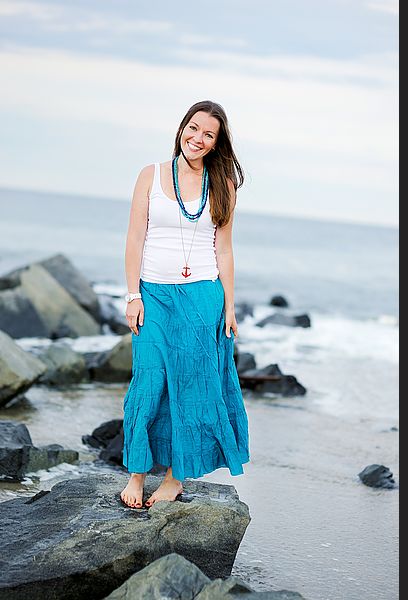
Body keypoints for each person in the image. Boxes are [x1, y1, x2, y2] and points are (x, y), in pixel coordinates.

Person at [120, 100, 250, 509]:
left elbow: (224, 250)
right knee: (149, 381)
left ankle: (175, 479)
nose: (197, 138)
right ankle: (137, 475)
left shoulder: (223, 184)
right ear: (181, 129)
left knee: (194, 389)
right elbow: (135, 238)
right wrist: (132, 295)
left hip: (202, 299)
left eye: (207, 134)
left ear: (215, 143)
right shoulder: (151, 175)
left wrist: (229, 307)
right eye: (192, 128)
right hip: (153, 295)